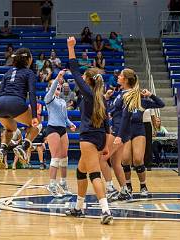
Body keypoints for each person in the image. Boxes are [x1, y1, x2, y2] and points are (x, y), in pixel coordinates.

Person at [64, 37, 113, 225]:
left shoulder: (90, 93)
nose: (81, 80)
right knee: (80, 171)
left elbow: (75, 70)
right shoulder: (100, 97)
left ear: (88, 81)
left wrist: (71, 48)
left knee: (94, 174)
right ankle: (78, 207)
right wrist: (107, 147)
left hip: (89, 138)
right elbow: (108, 125)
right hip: (100, 138)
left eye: (84, 78)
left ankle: (105, 210)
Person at [0, 48, 39, 169]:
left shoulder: (7, 73)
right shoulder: (29, 73)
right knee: (37, 126)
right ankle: (23, 147)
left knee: (11, 129)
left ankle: (2, 149)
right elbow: (32, 94)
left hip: (1, 104)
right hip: (16, 103)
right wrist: (34, 116)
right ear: (28, 59)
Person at [103, 68, 144, 202]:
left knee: (102, 158)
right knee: (115, 163)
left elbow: (126, 117)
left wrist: (119, 135)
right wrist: (107, 98)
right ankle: (125, 190)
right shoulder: (121, 92)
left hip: (118, 131)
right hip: (118, 129)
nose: (118, 77)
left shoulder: (129, 94)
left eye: (120, 75)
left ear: (125, 80)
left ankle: (111, 189)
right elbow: (114, 111)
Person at [122, 90, 164, 196]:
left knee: (137, 159)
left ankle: (143, 186)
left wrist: (150, 95)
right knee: (126, 159)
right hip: (125, 130)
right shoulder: (122, 100)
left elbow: (161, 104)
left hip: (138, 130)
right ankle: (128, 185)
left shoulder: (142, 102)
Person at [44, 72, 76, 195]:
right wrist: (57, 78)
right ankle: (51, 185)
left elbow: (65, 117)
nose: (58, 88)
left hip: (63, 129)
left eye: (59, 87)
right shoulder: (49, 98)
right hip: (52, 129)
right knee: (55, 157)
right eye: (56, 86)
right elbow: (52, 90)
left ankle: (63, 183)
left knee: (64, 158)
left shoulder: (62, 101)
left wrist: (71, 124)